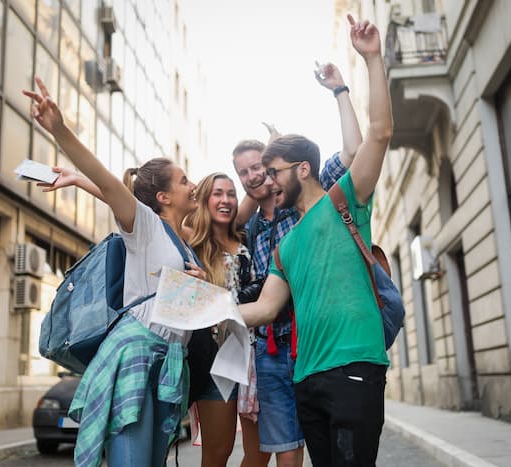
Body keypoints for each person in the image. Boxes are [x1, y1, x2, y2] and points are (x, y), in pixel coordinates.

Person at [24, 78, 206, 467]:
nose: (194, 186)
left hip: (169, 361)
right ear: (163, 197)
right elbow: (108, 180)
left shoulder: (184, 241)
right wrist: (59, 129)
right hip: (136, 355)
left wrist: (200, 287)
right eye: (185, 180)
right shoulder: (143, 224)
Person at [239, 14, 393, 466]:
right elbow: (266, 308)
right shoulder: (283, 247)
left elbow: (379, 134)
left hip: (354, 366)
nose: (267, 183)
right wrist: (204, 311)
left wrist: (369, 62)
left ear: (303, 169)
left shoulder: (343, 199)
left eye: (274, 173)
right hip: (305, 378)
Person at [231, 60, 361, 466]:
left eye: (262, 168)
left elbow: (353, 153)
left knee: (320, 446)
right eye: (246, 173)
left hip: (311, 343)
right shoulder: (249, 227)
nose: (255, 176)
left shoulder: (306, 202)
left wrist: (339, 90)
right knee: (286, 449)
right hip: (270, 348)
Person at [183, 172, 265, 467]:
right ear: (204, 199)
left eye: (231, 193)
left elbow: (252, 199)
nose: (226, 200)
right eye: (218, 193)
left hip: (252, 354)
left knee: (260, 452)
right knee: (219, 452)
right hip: (215, 361)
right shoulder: (192, 240)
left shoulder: (244, 237)